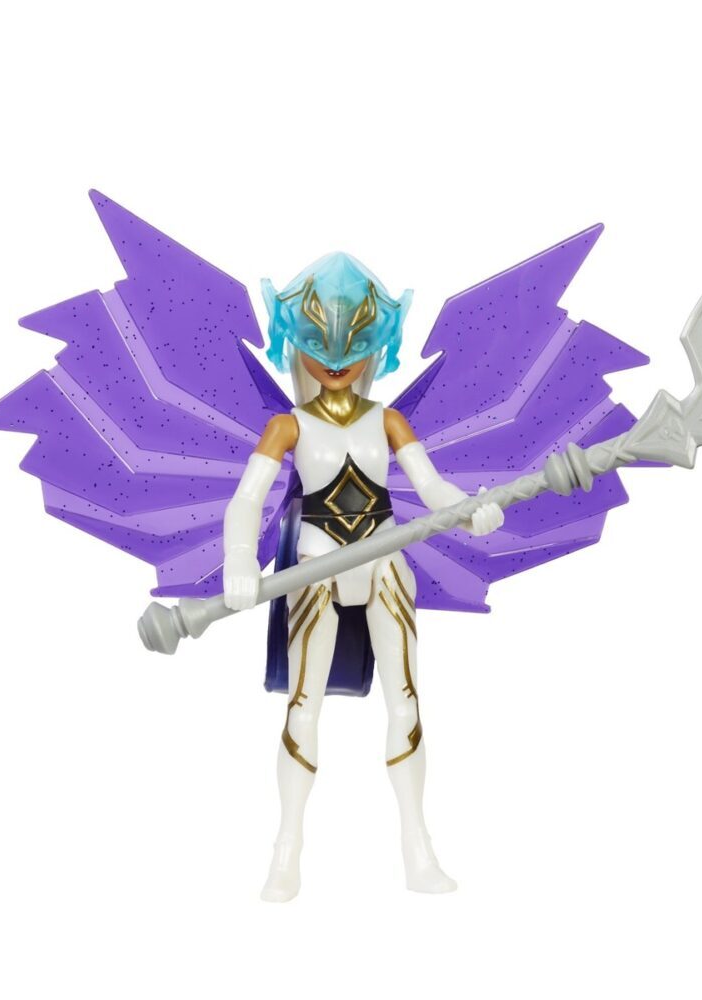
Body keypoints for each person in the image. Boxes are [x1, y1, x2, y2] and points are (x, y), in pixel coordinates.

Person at [222, 252, 504, 901]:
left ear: (375, 347)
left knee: (405, 698)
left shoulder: (388, 419)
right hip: (316, 565)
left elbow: (432, 487)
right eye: (320, 346)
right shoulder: (288, 425)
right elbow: (246, 501)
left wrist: (470, 510)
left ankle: (417, 846)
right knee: (304, 705)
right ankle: (286, 850)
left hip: (382, 560)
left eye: (351, 348)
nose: (336, 361)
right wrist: (238, 559)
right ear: (297, 345)